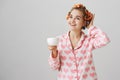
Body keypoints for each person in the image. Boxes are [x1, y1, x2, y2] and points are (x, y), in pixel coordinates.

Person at [48, 3, 110, 80]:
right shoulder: (59, 40)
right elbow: (54, 67)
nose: (72, 20)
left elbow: (104, 40)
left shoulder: (89, 40)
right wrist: (54, 52)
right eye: (71, 17)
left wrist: (91, 27)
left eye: (77, 18)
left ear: (84, 22)